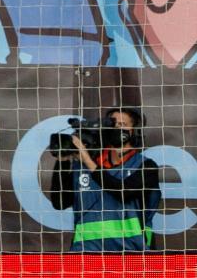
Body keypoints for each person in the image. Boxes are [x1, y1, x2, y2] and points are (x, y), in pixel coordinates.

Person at [48, 106, 161, 252]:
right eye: (114, 125)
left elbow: (123, 192)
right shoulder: (84, 166)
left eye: (123, 125)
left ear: (134, 131)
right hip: (84, 254)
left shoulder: (146, 166)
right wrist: (62, 161)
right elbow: (60, 202)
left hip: (131, 254)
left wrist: (88, 160)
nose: (117, 129)